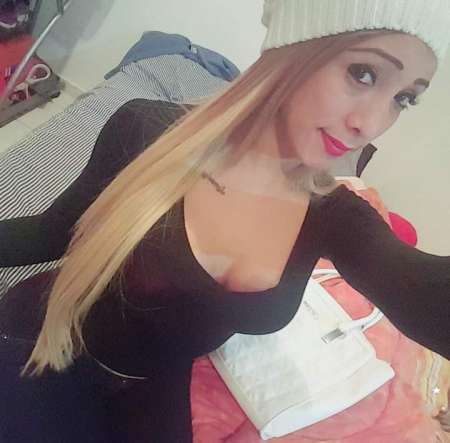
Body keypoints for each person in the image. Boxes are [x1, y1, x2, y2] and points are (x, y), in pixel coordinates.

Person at [1, 0, 449, 441]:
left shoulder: (334, 215)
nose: (371, 125)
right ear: (296, 46)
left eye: (403, 99)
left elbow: (415, 283)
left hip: (155, 387)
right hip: (50, 343)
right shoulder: (147, 131)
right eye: (363, 74)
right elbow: (51, 233)